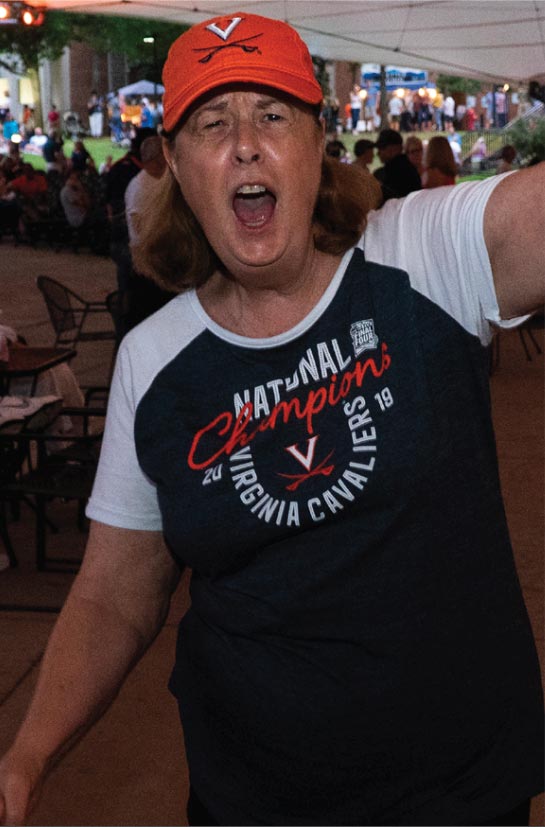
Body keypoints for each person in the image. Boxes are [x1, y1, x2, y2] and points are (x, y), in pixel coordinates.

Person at [0, 12, 543, 827]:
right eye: (213, 123)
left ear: (317, 143)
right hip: (251, 798)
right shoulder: (156, 360)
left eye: (272, 114)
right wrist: (26, 757)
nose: (245, 143)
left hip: (459, 793)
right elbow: (117, 592)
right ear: (176, 165)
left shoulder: (420, 258)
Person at [373, 127, 422, 203]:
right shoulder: (407, 166)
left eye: (381, 148)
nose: (378, 153)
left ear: (394, 148)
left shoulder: (392, 171)